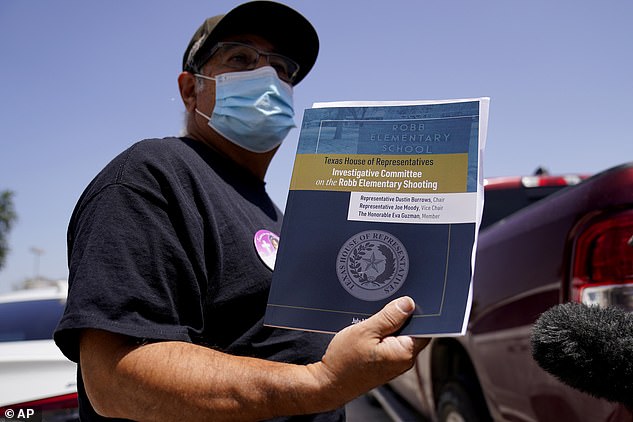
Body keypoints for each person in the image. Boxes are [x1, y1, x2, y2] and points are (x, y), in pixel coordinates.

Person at [54, 1, 429, 420]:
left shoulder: (275, 212)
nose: (268, 77)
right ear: (190, 88)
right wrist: (320, 383)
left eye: (283, 69)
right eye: (241, 58)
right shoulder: (152, 175)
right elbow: (115, 378)